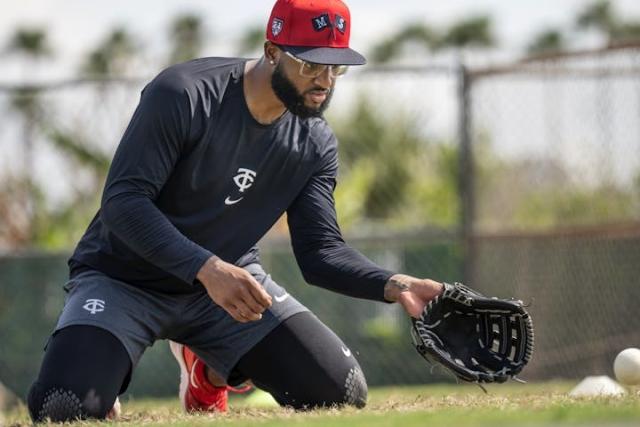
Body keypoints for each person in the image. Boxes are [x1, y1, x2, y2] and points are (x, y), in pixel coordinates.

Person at [26, 0, 444, 422]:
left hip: (223, 294)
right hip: (124, 280)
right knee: (66, 408)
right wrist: (206, 268)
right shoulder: (183, 93)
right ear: (272, 52)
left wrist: (396, 285)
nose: (325, 80)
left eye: (337, 68)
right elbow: (123, 203)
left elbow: (321, 253)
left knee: (340, 393)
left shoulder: (314, 143)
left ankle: (206, 370)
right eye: (310, 64)